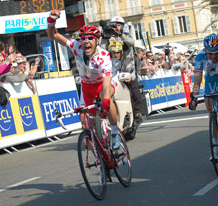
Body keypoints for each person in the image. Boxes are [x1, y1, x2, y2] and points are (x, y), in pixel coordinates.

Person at [46, 9, 121, 149]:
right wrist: (51, 21)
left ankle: (115, 132)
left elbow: (106, 84)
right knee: (85, 124)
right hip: (86, 86)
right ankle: (100, 159)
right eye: (83, 38)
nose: (86, 41)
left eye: (90, 38)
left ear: (96, 41)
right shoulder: (76, 46)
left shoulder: (103, 56)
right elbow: (54, 35)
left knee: (106, 99)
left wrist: (104, 101)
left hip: (102, 84)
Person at [102, 16, 145, 122]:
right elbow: (101, 50)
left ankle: (137, 112)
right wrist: (104, 37)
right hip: (113, 67)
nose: (116, 27)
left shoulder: (126, 35)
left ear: (122, 26)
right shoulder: (108, 36)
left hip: (127, 67)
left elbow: (131, 43)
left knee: (134, 90)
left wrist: (120, 35)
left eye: (118, 25)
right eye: (114, 25)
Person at [108, 41, 145, 123]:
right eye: (113, 52)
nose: (115, 55)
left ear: (121, 53)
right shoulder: (107, 62)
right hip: (112, 82)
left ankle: (138, 112)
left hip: (126, 79)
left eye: (117, 52)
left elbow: (132, 71)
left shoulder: (126, 60)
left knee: (134, 90)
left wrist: (129, 77)